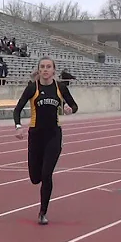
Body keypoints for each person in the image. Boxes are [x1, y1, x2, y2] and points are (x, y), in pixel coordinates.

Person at [13, 56, 78, 225]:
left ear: (54, 70)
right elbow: (17, 109)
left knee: (46, 174)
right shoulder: (32, 88)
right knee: (35, 177)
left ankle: (43, 212)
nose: (45, 69)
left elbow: (74, 106)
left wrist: (70, 109)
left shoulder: (60, 87)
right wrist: (18, 126)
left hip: (53, 136)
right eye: (42, 67)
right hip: (35, 136)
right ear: (39, 70)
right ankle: (40, 180)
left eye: (49, 67)